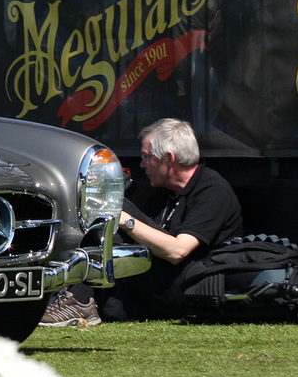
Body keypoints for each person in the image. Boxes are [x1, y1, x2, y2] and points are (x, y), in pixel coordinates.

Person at [51, 119, 244, 324]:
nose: (142, 164)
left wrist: (126, 220)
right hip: (157, 284)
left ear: (169, 159)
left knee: (116, 205)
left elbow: (177, 251)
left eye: (146, 157)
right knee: (112, 306)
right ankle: (62, 300)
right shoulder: (165, 194)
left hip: (192, 285)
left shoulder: (213, 191)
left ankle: (77, 302)